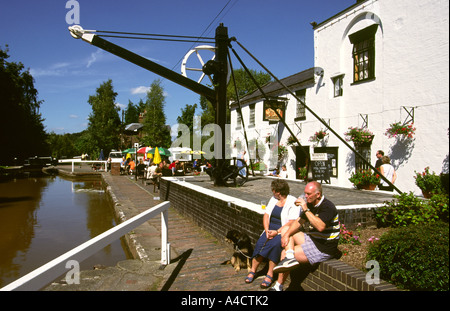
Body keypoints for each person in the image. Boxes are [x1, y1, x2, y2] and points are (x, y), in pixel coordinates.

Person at [270, 181, 340, 291]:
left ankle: (278, 287)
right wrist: (286, 235)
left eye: (308, 194)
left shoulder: (328, 207)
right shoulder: (311, 204)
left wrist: (305, 208)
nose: (305, 196)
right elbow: (298, 222)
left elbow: (320, 227)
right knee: (285, 229)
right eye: (305, 193)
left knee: (284, 252)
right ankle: (290, 257)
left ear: (318, 195)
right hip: (313, 240)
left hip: (323, 247)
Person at [245, 179, 300, 289]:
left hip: (282, 231)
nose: (273, 193)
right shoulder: (274, 199)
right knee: (260, 244)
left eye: (273, 191)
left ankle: (270, 274)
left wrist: (277, 232)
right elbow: (266, 215)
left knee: (275, 246)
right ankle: (253, 270)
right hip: (270, 229)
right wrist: (266, 230)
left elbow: (291, 222)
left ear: (278, 192)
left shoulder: (292, 201)